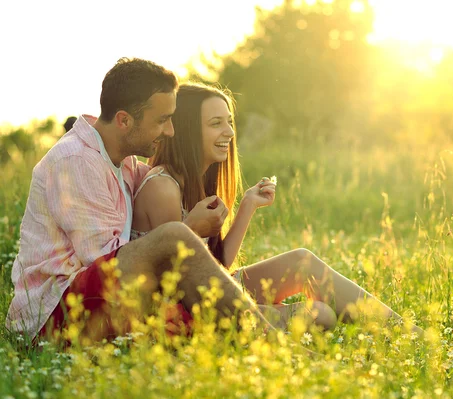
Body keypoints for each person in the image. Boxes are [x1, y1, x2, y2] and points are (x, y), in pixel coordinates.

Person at [6, 58, 275, 343]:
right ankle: (266, 339)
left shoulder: (126, 163)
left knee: (193, 305)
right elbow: (104, 261)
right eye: (162, 120)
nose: (171, 131)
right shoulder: (76, 160)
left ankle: (259, 330)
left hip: (97, 301)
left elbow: (168, 184)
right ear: (124, 120)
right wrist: (189, 229)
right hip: (53, 316)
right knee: (174, 237)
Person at [131, 83, 420, 332]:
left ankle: (405, 332)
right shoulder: (163, 188)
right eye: (216, 123)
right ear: (187, 131)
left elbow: (217, 266)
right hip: (181, 310)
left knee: (302, 261)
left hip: (209, 290)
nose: (229, 132)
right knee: (319, 315)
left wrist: (247, 206)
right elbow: (173, 287)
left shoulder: (198, 182)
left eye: (229, 122)